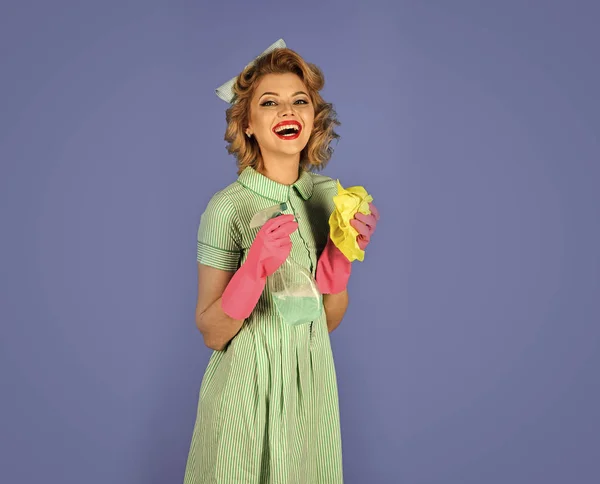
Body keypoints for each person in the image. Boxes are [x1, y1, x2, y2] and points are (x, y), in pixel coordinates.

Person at [184, 39, 380, 483]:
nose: (287, 111)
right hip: (244, 387)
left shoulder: (330, 197)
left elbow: (322, 321)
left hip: (309, 384)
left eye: (299, 101)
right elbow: (212, 332)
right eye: (269, 103)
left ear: (314, 118)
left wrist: (339, 262)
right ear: (247, 123)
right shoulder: (227, 208)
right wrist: (253, 271)